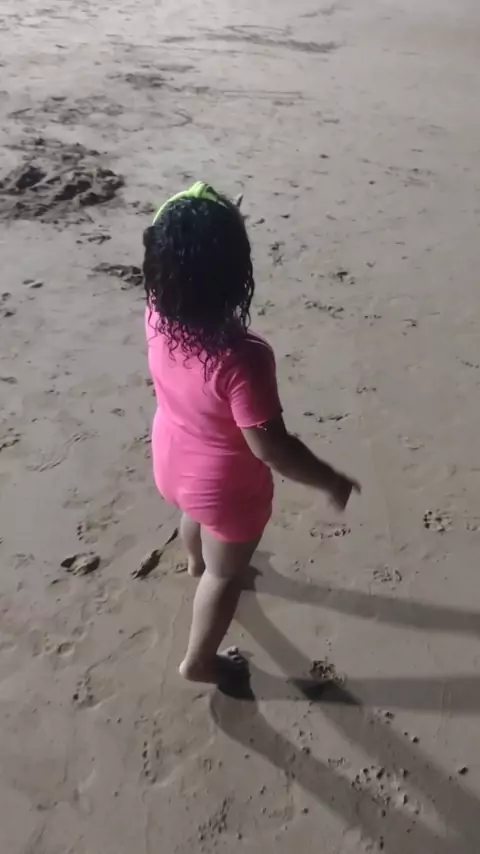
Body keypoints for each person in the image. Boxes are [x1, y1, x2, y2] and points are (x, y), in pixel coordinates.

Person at [144, 181, 360, 687]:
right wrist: (328, 479)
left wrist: (202, 222)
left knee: (195, 518)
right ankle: (200, 660)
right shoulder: (243, 357)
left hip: (171, 458)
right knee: (228, 574)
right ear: (234, 274)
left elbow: (169, 230)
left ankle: (196, 564)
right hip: (224, 487)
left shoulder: (155, 308)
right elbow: (272, 448)